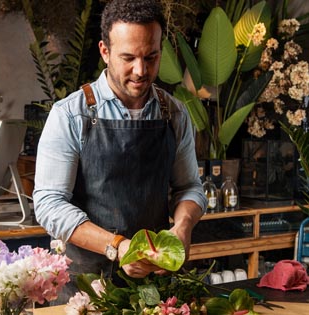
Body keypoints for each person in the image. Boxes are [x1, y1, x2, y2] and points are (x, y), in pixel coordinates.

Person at [33, 0, 207, 302]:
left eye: (151, 57)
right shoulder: (71, 115)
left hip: (157, 289)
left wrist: (183, 225)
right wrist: (118, 246)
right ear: (105, 51)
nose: (141, 71)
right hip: (86, 289)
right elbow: (49, 204)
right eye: (128, 58)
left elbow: (189, 187)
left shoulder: (174, 114)